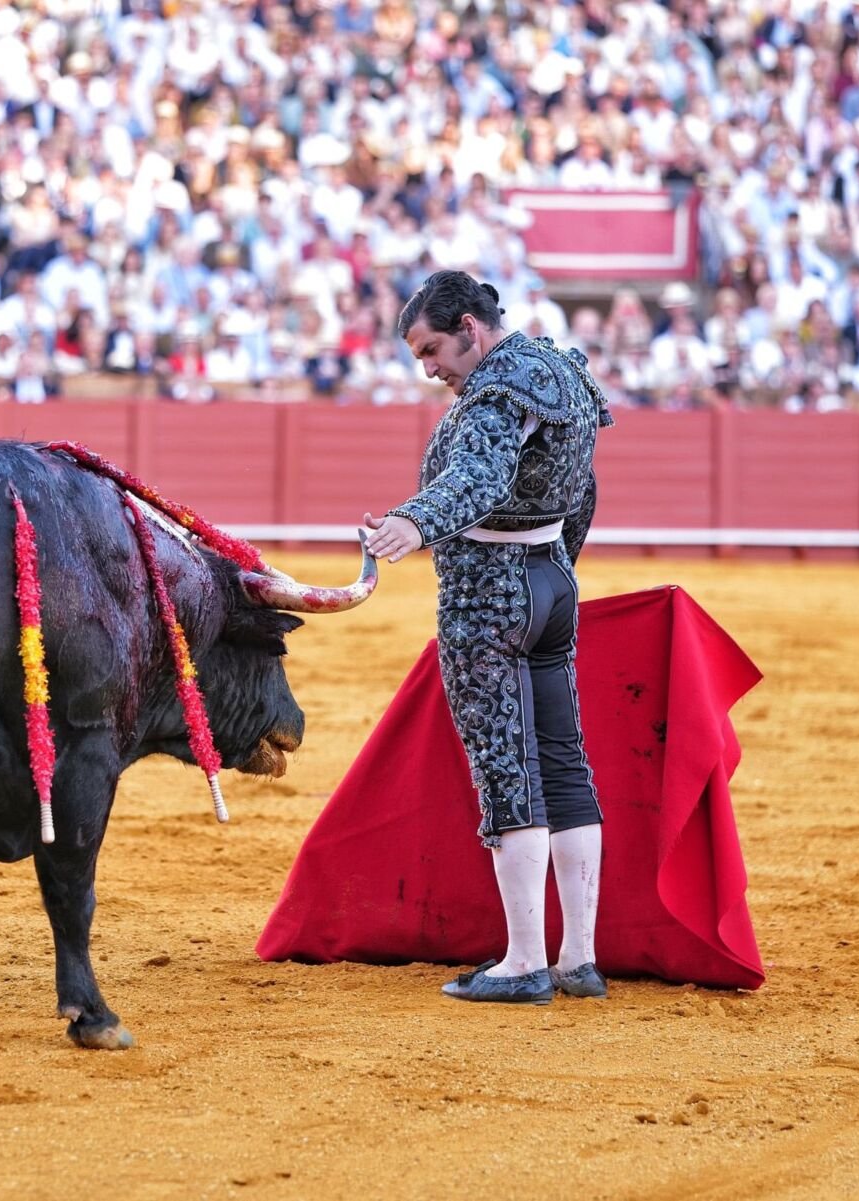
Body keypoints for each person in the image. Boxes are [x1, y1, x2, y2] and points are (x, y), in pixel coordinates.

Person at [362, 270, 612, 1005]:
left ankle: (524, 962)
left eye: (431, 350)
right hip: (551, 583)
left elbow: (478, 477)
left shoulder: (497, 389)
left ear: (469, 328)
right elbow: (583, 490)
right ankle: (578, 959)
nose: (428, 368)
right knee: (564, 764)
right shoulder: (562, 371)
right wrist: (556, 568)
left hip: (488, 596)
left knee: (508, 768)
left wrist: (412, 522)